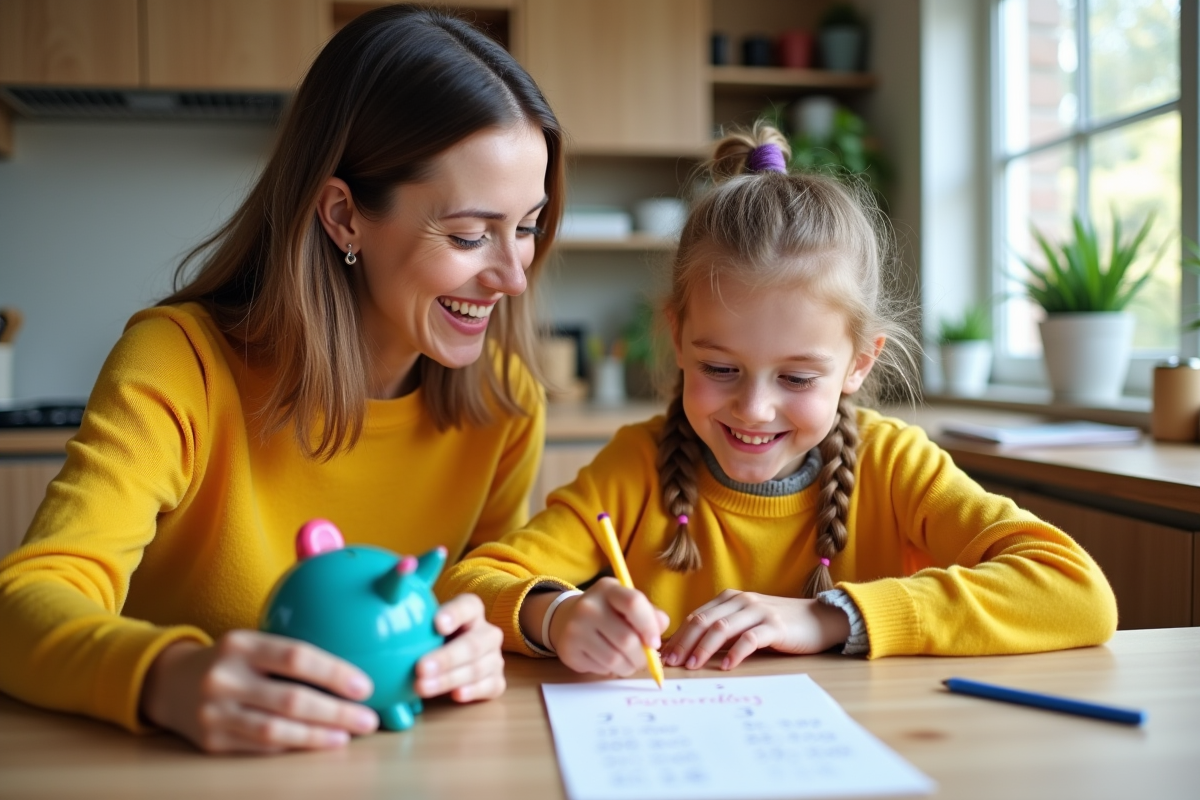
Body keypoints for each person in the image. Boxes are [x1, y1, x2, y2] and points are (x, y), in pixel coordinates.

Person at [0, 5, 564, 754]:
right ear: (343, 216)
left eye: (526, 226)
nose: (514, 276)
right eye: (469, 234)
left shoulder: (505, 401)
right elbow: (25, 601)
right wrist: (167, 675)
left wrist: (482, 635)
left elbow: (482, 583)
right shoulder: (179, 365)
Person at [441, 124, 1118, 678]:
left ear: (859, 364)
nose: (754, 409)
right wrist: (556, 615)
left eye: (796, 378)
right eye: (720, 367)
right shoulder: (635, 469)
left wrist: (829, 617)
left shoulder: (895, 465)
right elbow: (468, 583)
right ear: (676, 337)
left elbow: (1075, 592)